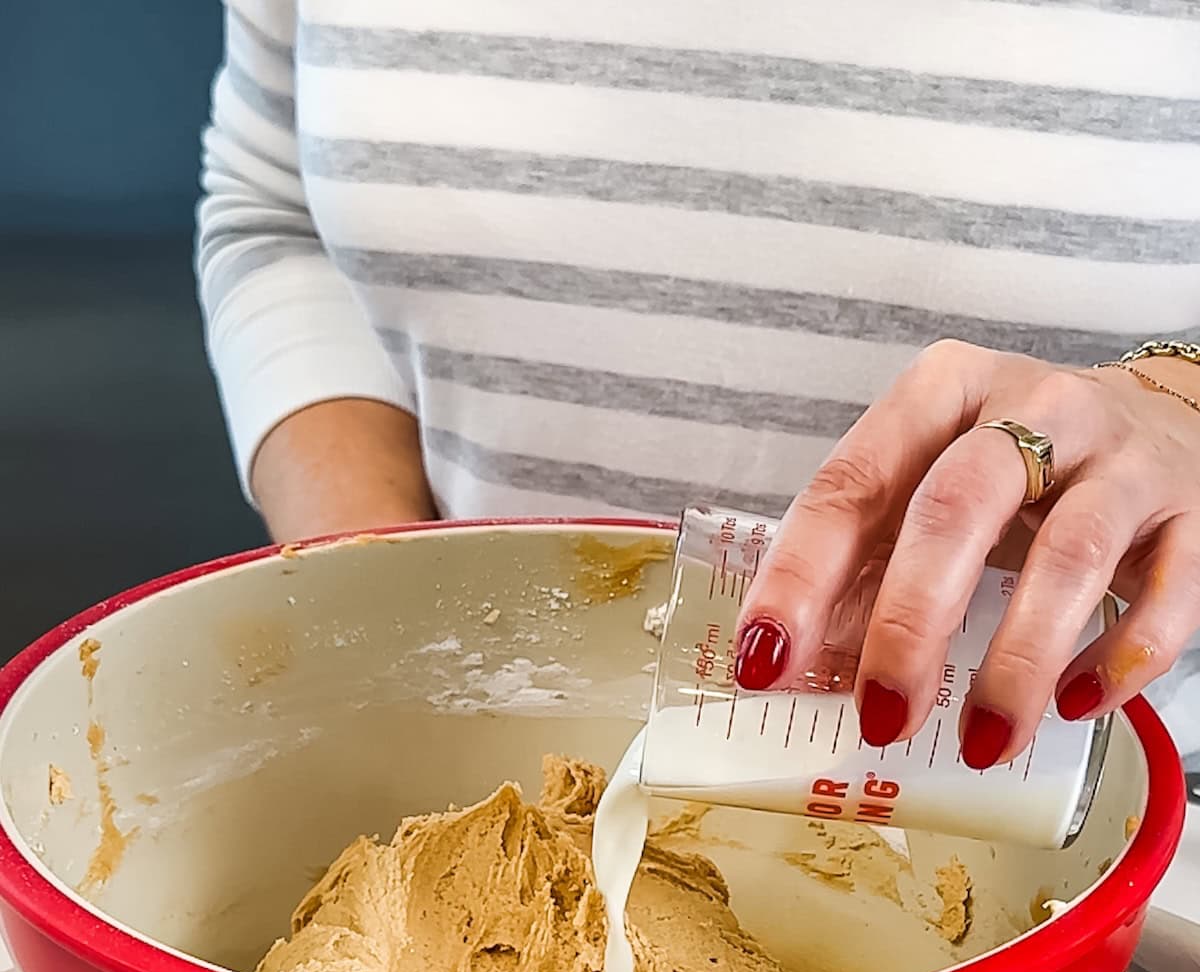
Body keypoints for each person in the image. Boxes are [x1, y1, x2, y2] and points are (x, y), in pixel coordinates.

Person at [198, 2, 1199, 772]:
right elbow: (281, 213)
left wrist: (1178, 407)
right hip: (459, 771)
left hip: (1100, 865)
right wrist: (391, 612)